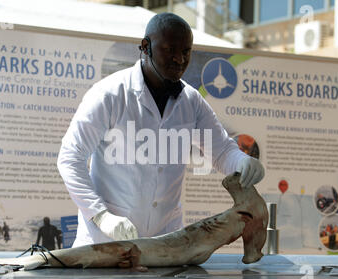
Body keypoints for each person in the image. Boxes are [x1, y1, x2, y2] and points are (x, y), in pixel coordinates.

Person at [57, 13, 265, 246]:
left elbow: (221, 152)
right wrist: (100, 215)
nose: (179, 59)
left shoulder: (191, 101)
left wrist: (242, 162)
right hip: (104, 241)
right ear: (146, 46)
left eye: (186, 51)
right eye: (170, 50)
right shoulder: (110, 94)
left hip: (165, 241)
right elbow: (70, 158)